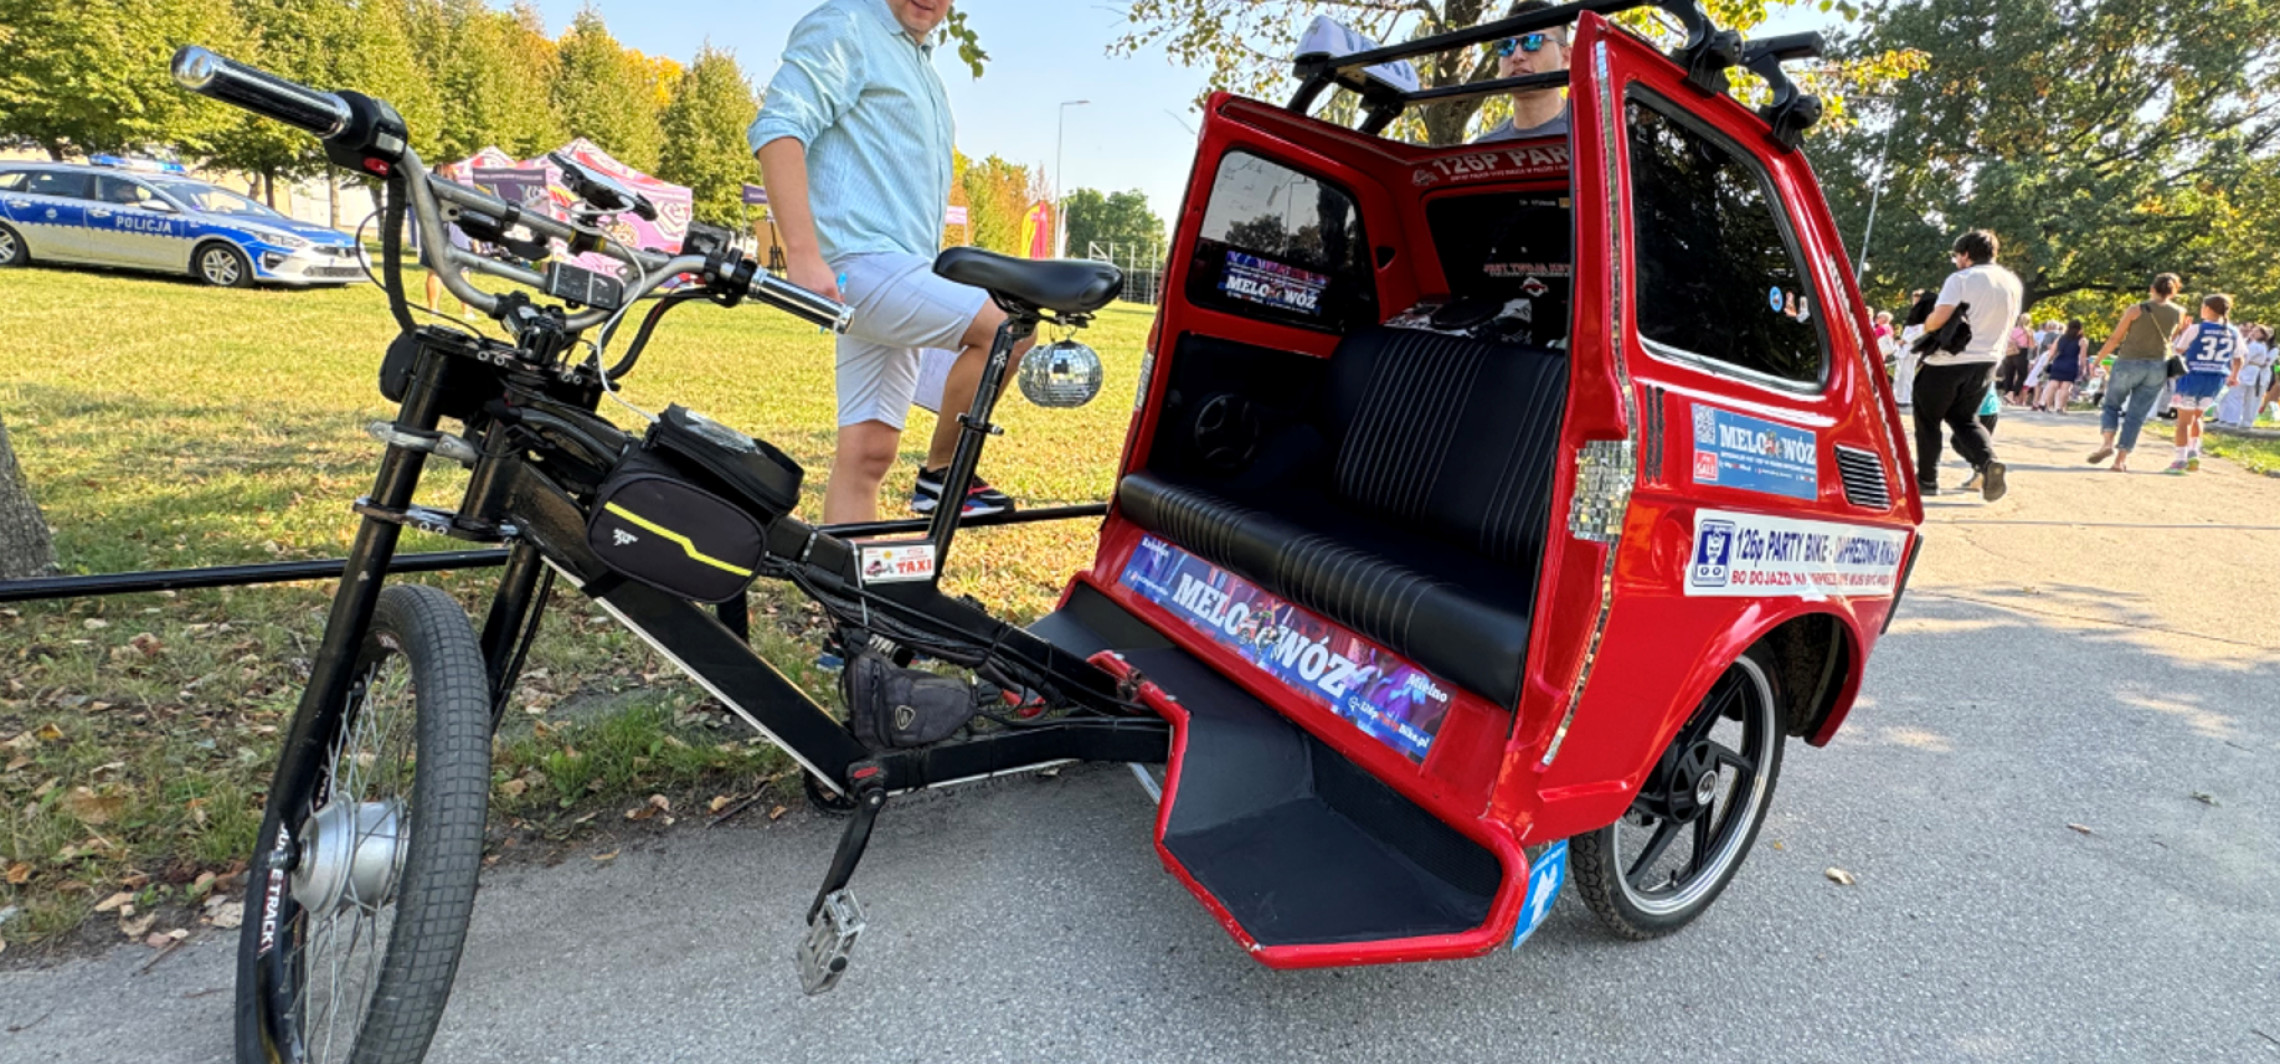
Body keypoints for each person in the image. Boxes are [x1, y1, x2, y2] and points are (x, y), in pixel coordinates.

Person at [749, 0, 1026, 523]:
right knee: (1009, 327)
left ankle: (851, 602)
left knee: (867, 454)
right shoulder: (847, 26)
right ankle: (943, 476)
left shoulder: (920, 64)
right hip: (858, 263)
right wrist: (804, 256)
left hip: (903, 270)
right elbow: (778, 129)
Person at [1912, 230, 2021, 501]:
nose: (1956, 261)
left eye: (1957, 256)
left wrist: (1923, 326)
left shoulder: (1961, 278)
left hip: (1948, 361)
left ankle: (1927, 479)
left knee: (1928, 419)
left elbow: (1939, 318)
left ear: (1966, 255)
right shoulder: (2012, 282)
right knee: (1965, 419)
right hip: (1987, 361)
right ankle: (1988, 462)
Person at [2087, 273, 2188, 472]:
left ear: (2152, 288)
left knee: (2111, 405)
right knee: (2136, 414)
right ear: (2174, 291)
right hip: (2157, 366)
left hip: (2128, 362)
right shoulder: (2179, 312)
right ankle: (2120, 460)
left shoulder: (2136, 309)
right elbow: (2172, 337)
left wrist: (2098, 360)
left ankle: (2107, 444)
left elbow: (2115, 338)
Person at [2163, 293, 2246, 473]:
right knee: (2198, 417)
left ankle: (2180, 459)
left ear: (2208, 309)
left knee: (2183, 421)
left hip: (2192, 376)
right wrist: (2234, 375)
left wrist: (2179, 332)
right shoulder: (2233, 331)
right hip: (2215, 378)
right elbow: (2239, 358)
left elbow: (2178, 350)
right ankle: (2194, 452)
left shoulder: (2196, 329)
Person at [1473, 0, 1570, 143]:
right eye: (1506, 45)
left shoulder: (1598, 132)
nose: (1517, 56)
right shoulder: (1483, 151)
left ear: (1565, 57)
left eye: (1532, 42)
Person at [2219, 323, 2274, 427]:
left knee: (2235, 395)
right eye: (2253, 330)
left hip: (2247, 371)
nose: (2253, 332)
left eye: (2257, 332)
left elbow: (2245, 359)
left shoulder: (2255, 345)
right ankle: (2237, 420)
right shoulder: (2259, 345)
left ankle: (2232, 420)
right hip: (2252, 372)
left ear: (2262, 335)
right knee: (2242, 397)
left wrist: (2234, 369)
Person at [2035, 319, 2088, 414]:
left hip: (2058, 363)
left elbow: (2051, 352)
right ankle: (2060, 408)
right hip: (2071, 364)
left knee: (2052, 385)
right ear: (2080, 329)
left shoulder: (2060, 338)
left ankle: (2046, 406)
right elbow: (2083, 357)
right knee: (2066, 387)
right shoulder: (2082, 340)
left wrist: (2046, 363)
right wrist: (2083, 369)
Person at [1894, 289, 1935, 407]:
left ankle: (1904, 398)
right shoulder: (1914, 314)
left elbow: (1923, 330)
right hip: (1905, 348)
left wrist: (1906, 340)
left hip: (1911, 348)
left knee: (1907, 374)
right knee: (1900, 374)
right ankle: (1899, 396)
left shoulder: (1927, 315)